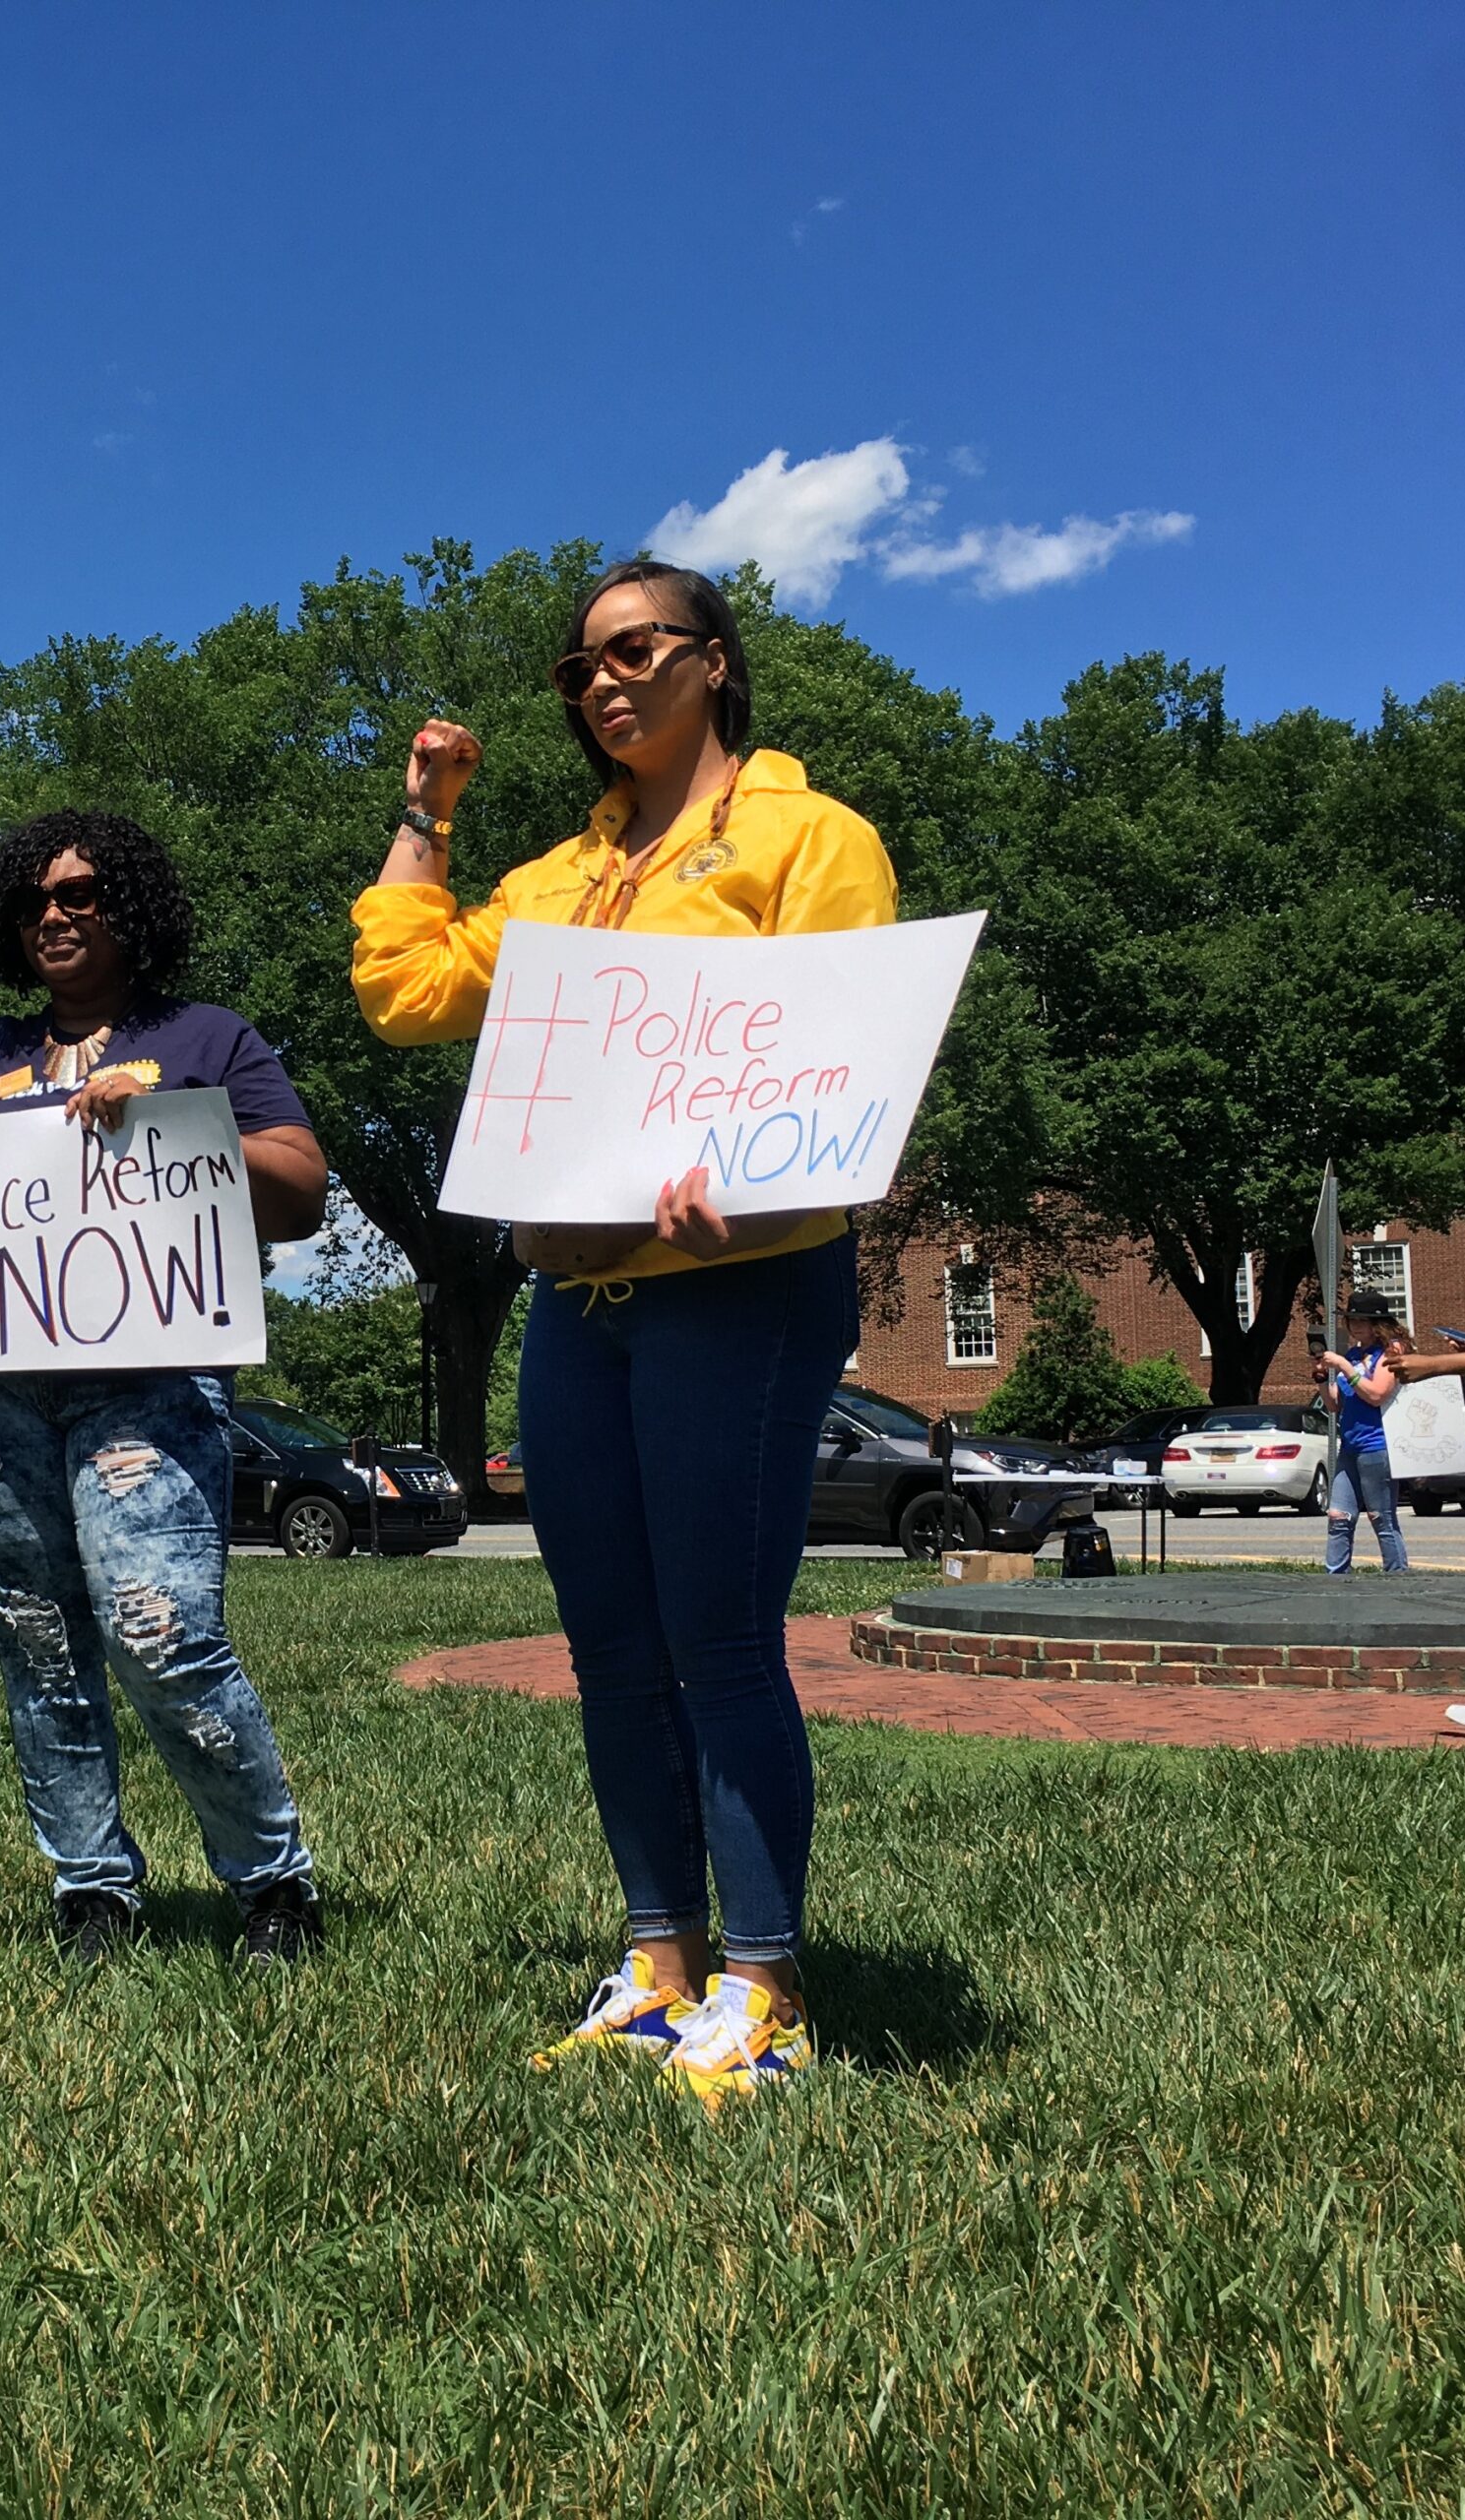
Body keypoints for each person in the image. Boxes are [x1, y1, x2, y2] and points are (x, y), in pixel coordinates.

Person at [350, 560, 896, 2100]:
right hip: (578, 1300)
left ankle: (766, 1986)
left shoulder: (807, 836)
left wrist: (758, 1173)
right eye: (577, 668)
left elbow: (838, 1057)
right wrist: (429, 811)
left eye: (635, 650)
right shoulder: (543, 884)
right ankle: (660, 1963)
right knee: (607, 1649)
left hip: (740, 1279)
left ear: (713, 665)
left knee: (719, 1640)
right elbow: (401, 988)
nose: (602, 682)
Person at [0, 807, 330, 1964]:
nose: (56, 911)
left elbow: (298, 1189)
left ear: (128, 908)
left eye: (82, 892)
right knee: (38, 1645)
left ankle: (271, 1881)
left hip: (147, 1386)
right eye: (36, 897)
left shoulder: (203, 1040)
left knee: (161, 1630)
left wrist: (172, 1128)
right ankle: (92, 1889)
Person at [1319, 1287, 1409, 1575]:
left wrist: (1344, 1366)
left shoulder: (1390, 1352)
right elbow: (1335, 1404)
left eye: (1362, 1320)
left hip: (1377, 1446)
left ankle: (1397, 1576)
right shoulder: (1354, 1354)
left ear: (1377, 1323)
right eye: (1352, 1320)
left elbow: (1376, 1394)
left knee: (1381, 1517)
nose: (1355, 1326)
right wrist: (1321, 1378)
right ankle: (1335, 1578)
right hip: (1350, 1446)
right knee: (1338, 1517)